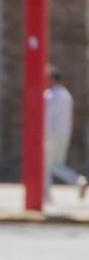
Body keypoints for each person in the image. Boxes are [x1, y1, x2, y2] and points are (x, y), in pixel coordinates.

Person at [44, 67, 88, 202]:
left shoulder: (50, 95)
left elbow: (46, 116)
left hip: (51, 133)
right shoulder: (66, 95)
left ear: (53, 79)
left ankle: (45, 195)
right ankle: (78, 181)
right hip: (64, 133)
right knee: (56, 164)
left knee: (46, 165)